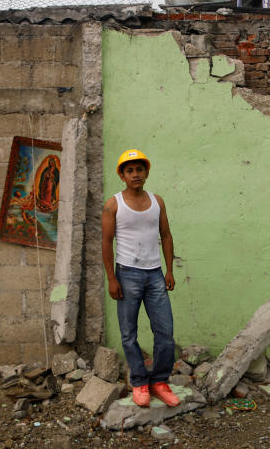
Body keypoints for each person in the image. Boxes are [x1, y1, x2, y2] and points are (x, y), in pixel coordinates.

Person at [101, 148, 180, 408]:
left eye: (139, 169)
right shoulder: (114, 204)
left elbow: (166, 236)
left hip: (155, 275)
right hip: (127, 275)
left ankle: (159, 381)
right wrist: (112, 278)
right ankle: (139, 382)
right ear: (122, 175)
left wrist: (169, 270)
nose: (135, 174)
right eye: (130, 170)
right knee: (128, 334)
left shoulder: (157, 201)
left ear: (146, 172)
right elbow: (106, 241)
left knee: (165, 332)